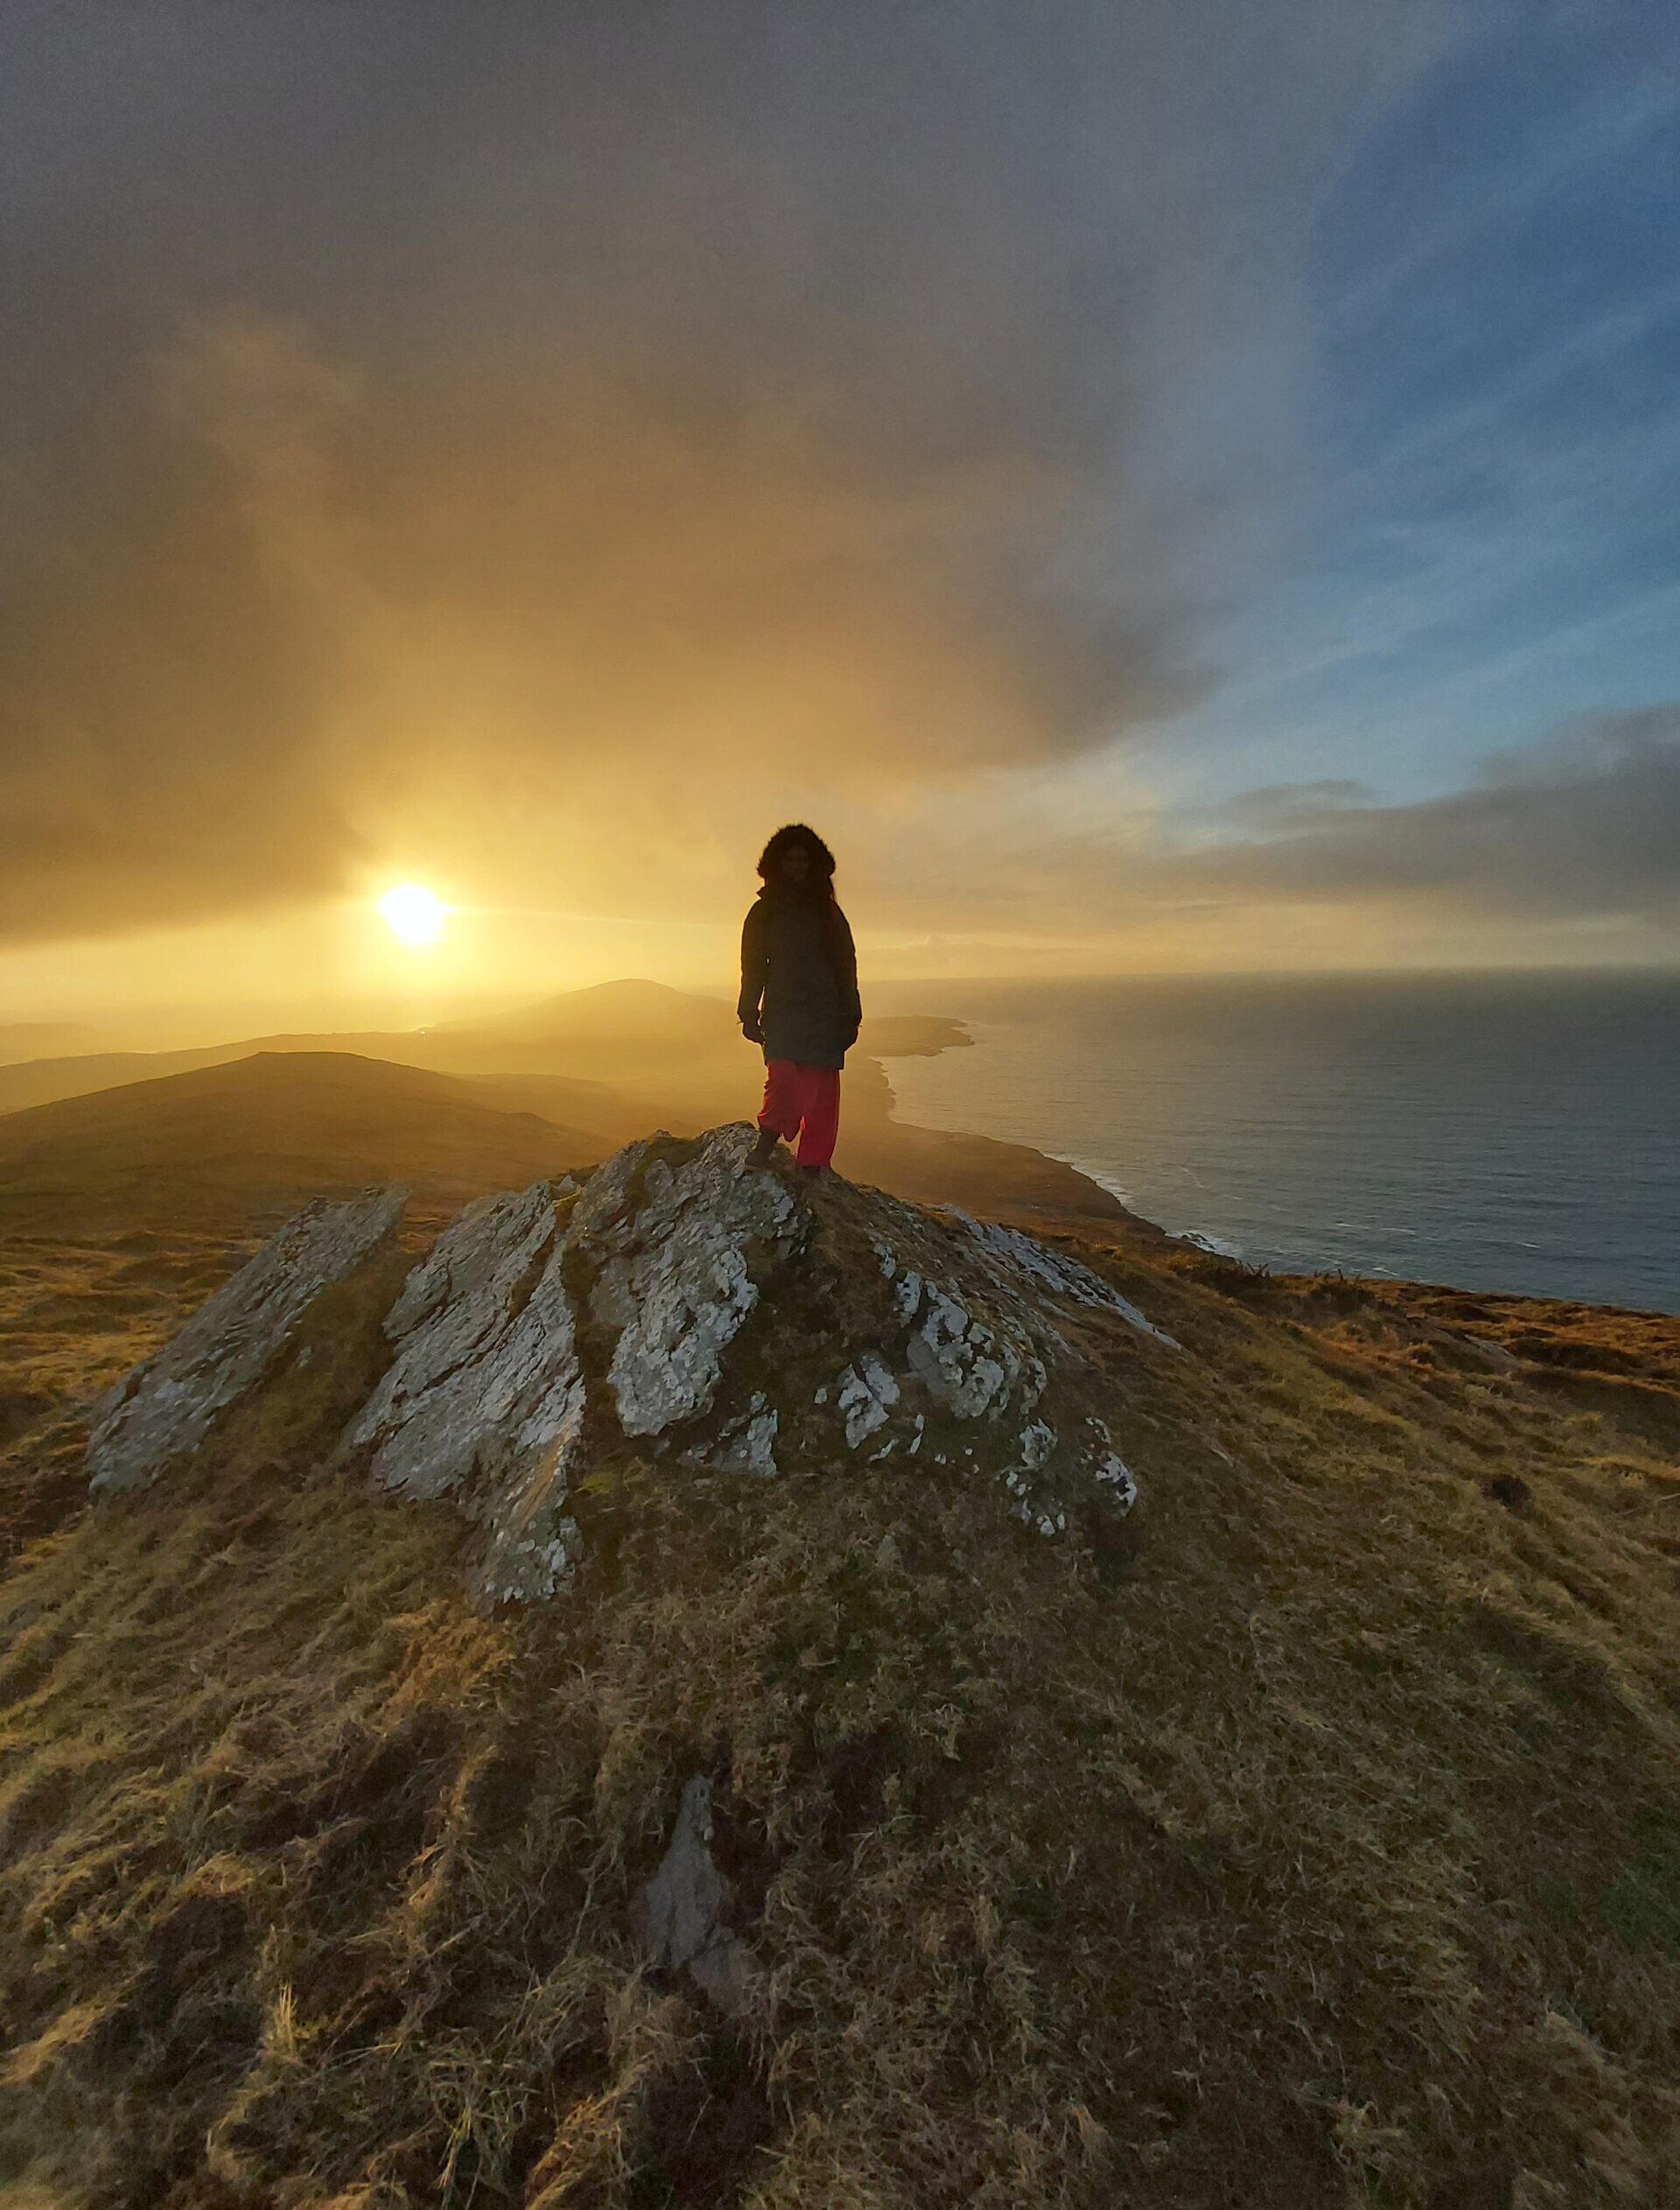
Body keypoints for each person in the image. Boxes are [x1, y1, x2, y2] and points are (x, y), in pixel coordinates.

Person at [738, 824, 862, 1175]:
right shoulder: (763, 912)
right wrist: (749, 1012)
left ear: (813, 864)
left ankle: (813, 1162)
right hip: (782, 1011)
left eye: (803, 860)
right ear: (777, 864)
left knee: (822, 1092)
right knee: (784, 1077)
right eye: (789, 859)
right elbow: (752, 965)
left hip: (825, 1011)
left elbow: (845, 964)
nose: (796, 866)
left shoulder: (828, 912)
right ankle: (767, 1140)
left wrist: (851, 1015)